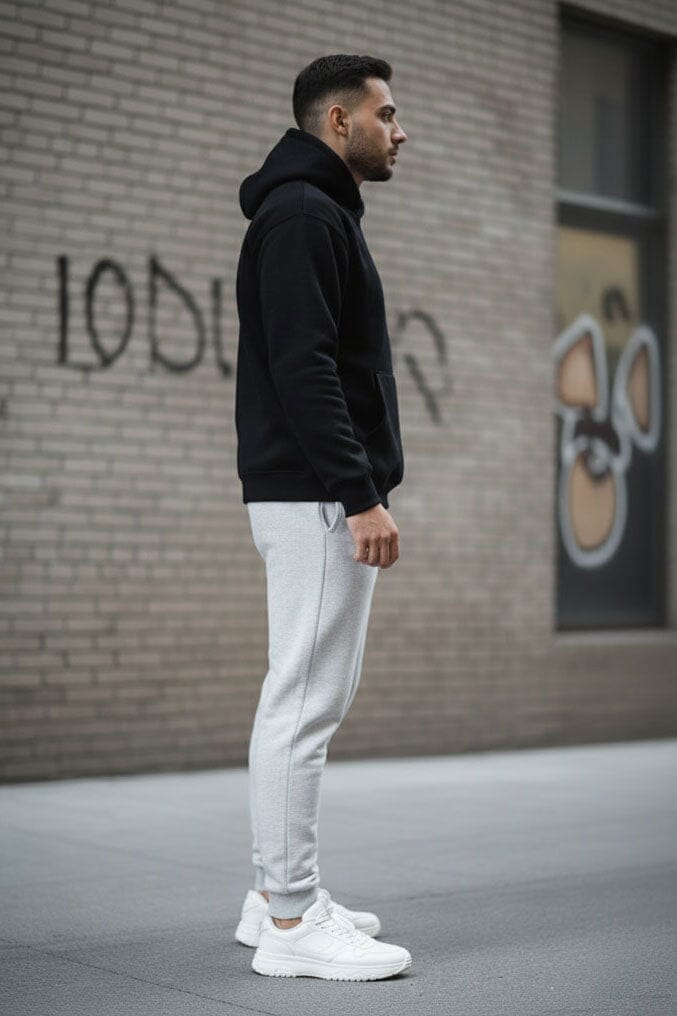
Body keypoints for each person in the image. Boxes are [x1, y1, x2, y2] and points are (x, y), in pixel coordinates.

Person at [233, 53, 411, 981]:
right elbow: (303, 369)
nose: (400, 131)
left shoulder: (314, 212)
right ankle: (294, 921)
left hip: (313, 491)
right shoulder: (304, 214)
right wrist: (360, 494)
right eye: (386, 114)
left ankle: (272, 896)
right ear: (338, 121)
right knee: (303, 703)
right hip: (316, 494)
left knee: (307, 697)